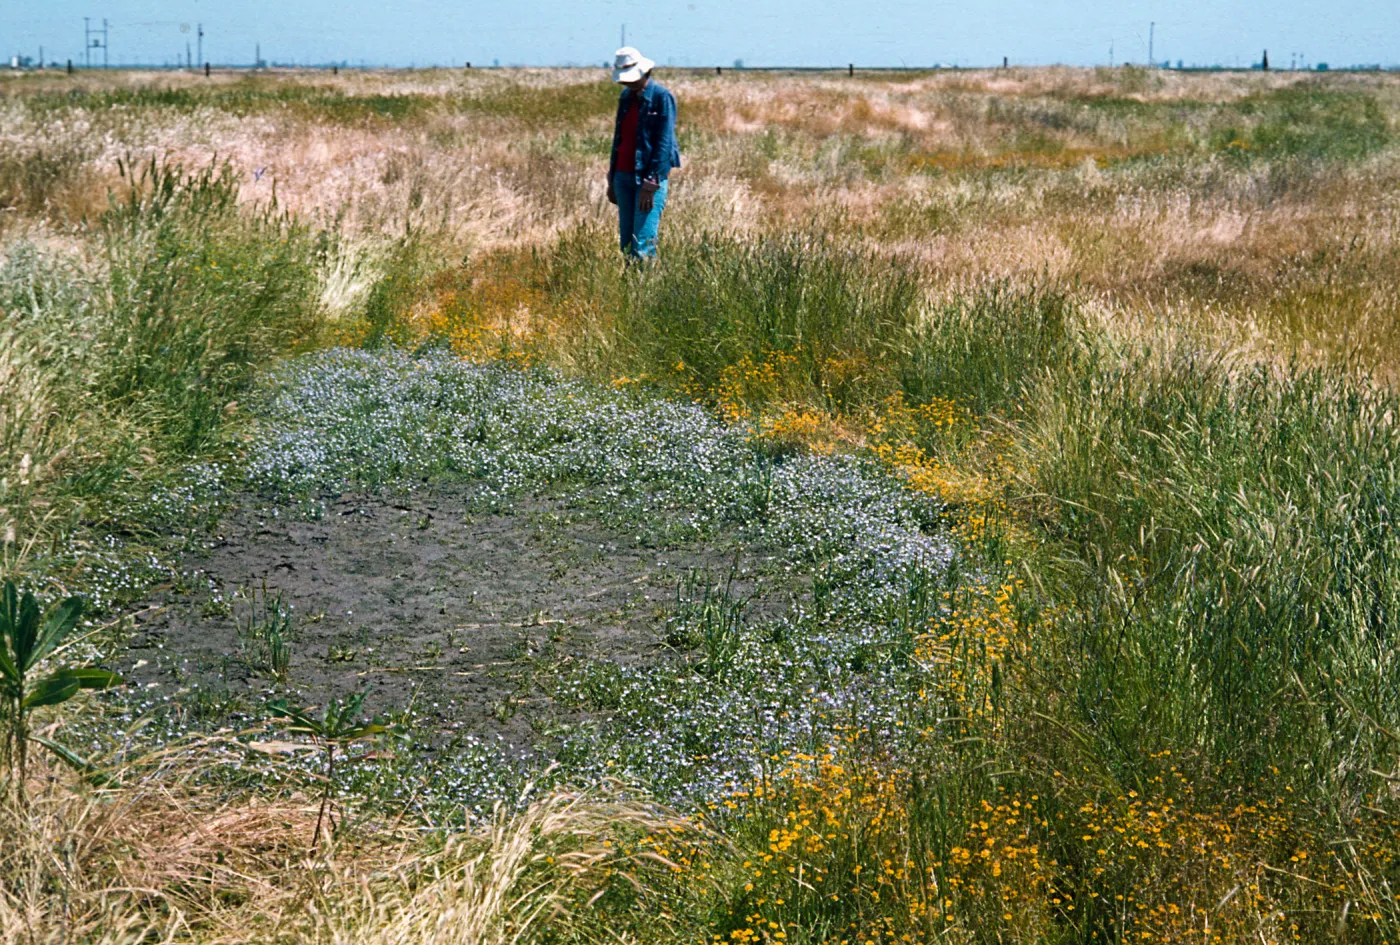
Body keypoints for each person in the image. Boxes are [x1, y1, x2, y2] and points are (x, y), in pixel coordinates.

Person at [607, 47, 681, 260]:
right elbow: (618, 139)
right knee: (627, 245)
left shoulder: (662, 97)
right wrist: (612, 180)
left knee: (643, 246)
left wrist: (651, 184)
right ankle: (630, 291)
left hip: (648, 179)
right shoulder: (626, 97)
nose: (625, 83)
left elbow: (664, 144)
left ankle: (643, 291)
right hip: (623, 176)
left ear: (643, 72)